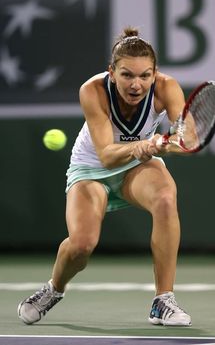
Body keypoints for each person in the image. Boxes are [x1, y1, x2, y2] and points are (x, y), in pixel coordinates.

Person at [17, 27, 191, 327]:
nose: (136, 84)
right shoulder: (92, 90)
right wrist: (144, 145)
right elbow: (107, 155)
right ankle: (54, 289)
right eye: (127, 75)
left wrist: (171, 142)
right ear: (112, 72)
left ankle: (163, 300)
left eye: (145, 76)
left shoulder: (167, 88)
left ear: (154, 73)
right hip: (91, 169)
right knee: (82, 245)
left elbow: (189, 139)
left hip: (136, 168)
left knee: (165, 197)